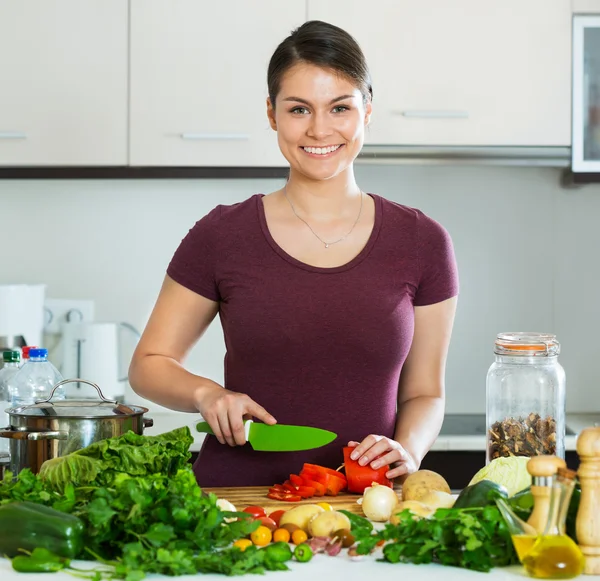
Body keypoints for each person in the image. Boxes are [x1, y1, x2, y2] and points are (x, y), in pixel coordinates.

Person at [129, 20, 459, 488]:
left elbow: (426, 392)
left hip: (365, 505)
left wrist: (408, 448)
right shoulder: (221, 235)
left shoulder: (423, 241)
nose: (320, 128)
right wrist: (206, 394)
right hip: (233, 502)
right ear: (272, 114)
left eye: (340, 107)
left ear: (367, 111)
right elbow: (149, 364)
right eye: (299, 109)